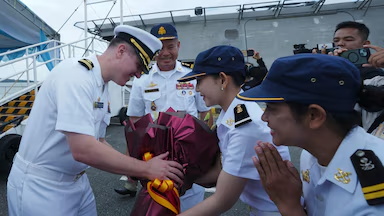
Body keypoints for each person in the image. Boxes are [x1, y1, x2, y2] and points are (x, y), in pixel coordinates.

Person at [6, 25, 184, 216]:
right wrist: (145, 169)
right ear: (121, 51)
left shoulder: (102, 85)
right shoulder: (75, 75)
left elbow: (98, 141)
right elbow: (83, 149)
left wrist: (137, 166)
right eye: (139, 66)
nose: (140, 74)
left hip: (77, 183)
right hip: (43, 186)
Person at [237, 54, 384, 215]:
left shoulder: (372, 189)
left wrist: (289, 206)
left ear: (314, 116)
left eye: (272, 108)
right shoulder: (311, 154)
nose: (264, 117)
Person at [177, 45, 291, 216]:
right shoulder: (231, 113)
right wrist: (181, 178)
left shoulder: (245, 127)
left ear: (223, 79)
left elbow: (222, 201)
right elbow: (223, 168)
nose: (197, 89)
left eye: (199, 81)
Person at [114, 23, 211, 212]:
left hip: (190, 159)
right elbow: (134, 123)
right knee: (159, 208)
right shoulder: (142, 80)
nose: (165, 53)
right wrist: (133, 162)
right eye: (160, 48)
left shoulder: (192, 76)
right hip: (155, 161)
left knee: (193, 207)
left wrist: (206, 153)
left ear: (179, 46)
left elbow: (205, 114)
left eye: (171, 46)